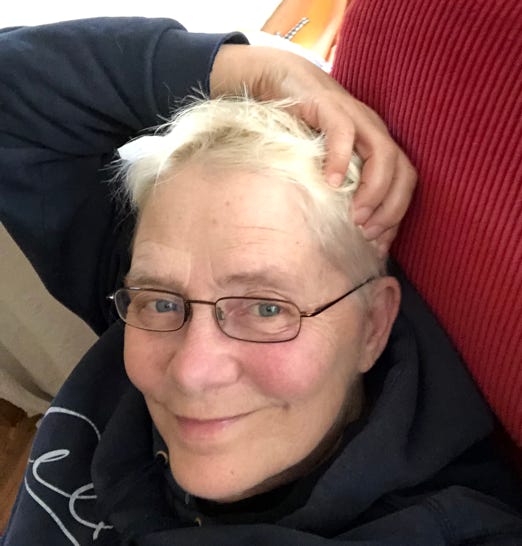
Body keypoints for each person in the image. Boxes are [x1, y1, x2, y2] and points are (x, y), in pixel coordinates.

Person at [1, 17, 520, 546]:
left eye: (266, 308)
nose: (192, 372)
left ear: (372, 326)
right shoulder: (135, 308)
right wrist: (249, 70)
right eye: (162, 301)